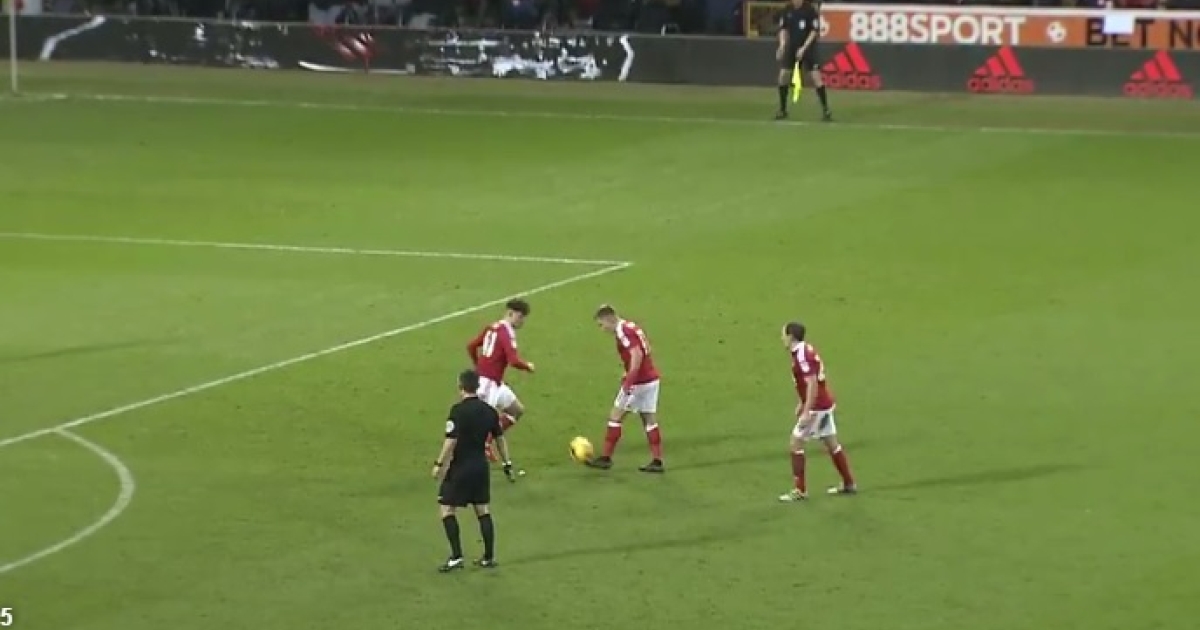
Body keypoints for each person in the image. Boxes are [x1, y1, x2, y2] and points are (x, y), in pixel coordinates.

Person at [432, 369, 514, 572]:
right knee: (483, 510)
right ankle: (488, 557)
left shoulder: (457, 411)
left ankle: (456, 556)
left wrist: (439, 464)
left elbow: (451, 441)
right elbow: (500, 439)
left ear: (460, 386)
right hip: (481, 467)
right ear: (477, 387)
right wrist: (507, 463)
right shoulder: (489, 411)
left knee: (446, 509)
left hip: (461, 466)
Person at [779, 322, 857, 502]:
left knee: (796, 444)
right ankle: (849, 483)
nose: (782, 338)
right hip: (823, 404)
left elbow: (812, 382)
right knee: (831, 443)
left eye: (783, 335)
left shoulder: (801, 355)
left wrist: (807, 410)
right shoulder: (805, 350)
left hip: (817, 408)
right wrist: (801, 402)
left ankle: (800, 490)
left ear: (791, 336)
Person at [585, 304, 665, 473]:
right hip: (651, 379)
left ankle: (606, 458)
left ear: (609, 319)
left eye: (601, 324)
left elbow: (637, 355)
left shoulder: (623, 332)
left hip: (638, 382)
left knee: (615, 416)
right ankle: (657, 461)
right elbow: (646, 349)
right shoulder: (631, 326)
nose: (602, 329)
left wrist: (630, 380)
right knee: (649, 420)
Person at [466, 298, 535, 462]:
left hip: (493, 382)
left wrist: (478, 365)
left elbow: (471, 346)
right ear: (510, 313)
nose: (522, 321)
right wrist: (528, 366)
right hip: (488, 384)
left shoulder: (492, 327)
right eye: (520, 317)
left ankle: (486, 442)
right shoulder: (506, 333)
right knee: (480, 423)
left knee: (516, 410)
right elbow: (513, 360)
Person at [774, 0, 833, 122]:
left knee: (816, 77)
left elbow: (814, 31)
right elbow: (783, 29)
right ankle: (782, 110)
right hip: (791, 47)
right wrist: (782, 45)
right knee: (783, 75)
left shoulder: (810, 10)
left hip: (808, 47)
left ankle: (826, 110)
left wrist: (804, 48)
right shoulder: (787, 10)